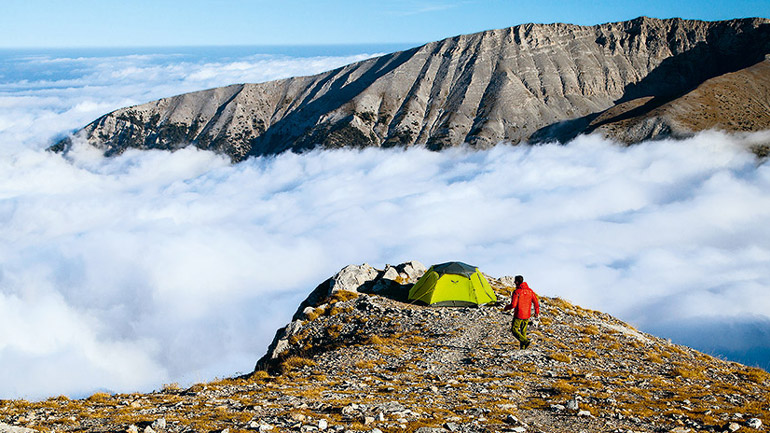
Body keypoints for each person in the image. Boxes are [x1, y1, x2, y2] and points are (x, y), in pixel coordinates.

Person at [504, 275, 540, 349]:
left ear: (517, 282)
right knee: (523, 331)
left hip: (518, 314)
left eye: (515, 281)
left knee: (514, 330)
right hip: (527, 314)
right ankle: (523, 348)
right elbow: (536, 302)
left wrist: (506, 308)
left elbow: (513, 305)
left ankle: (525, 341)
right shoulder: (530, 291)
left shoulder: (517, 292)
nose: (514, 282)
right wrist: (536, 312)